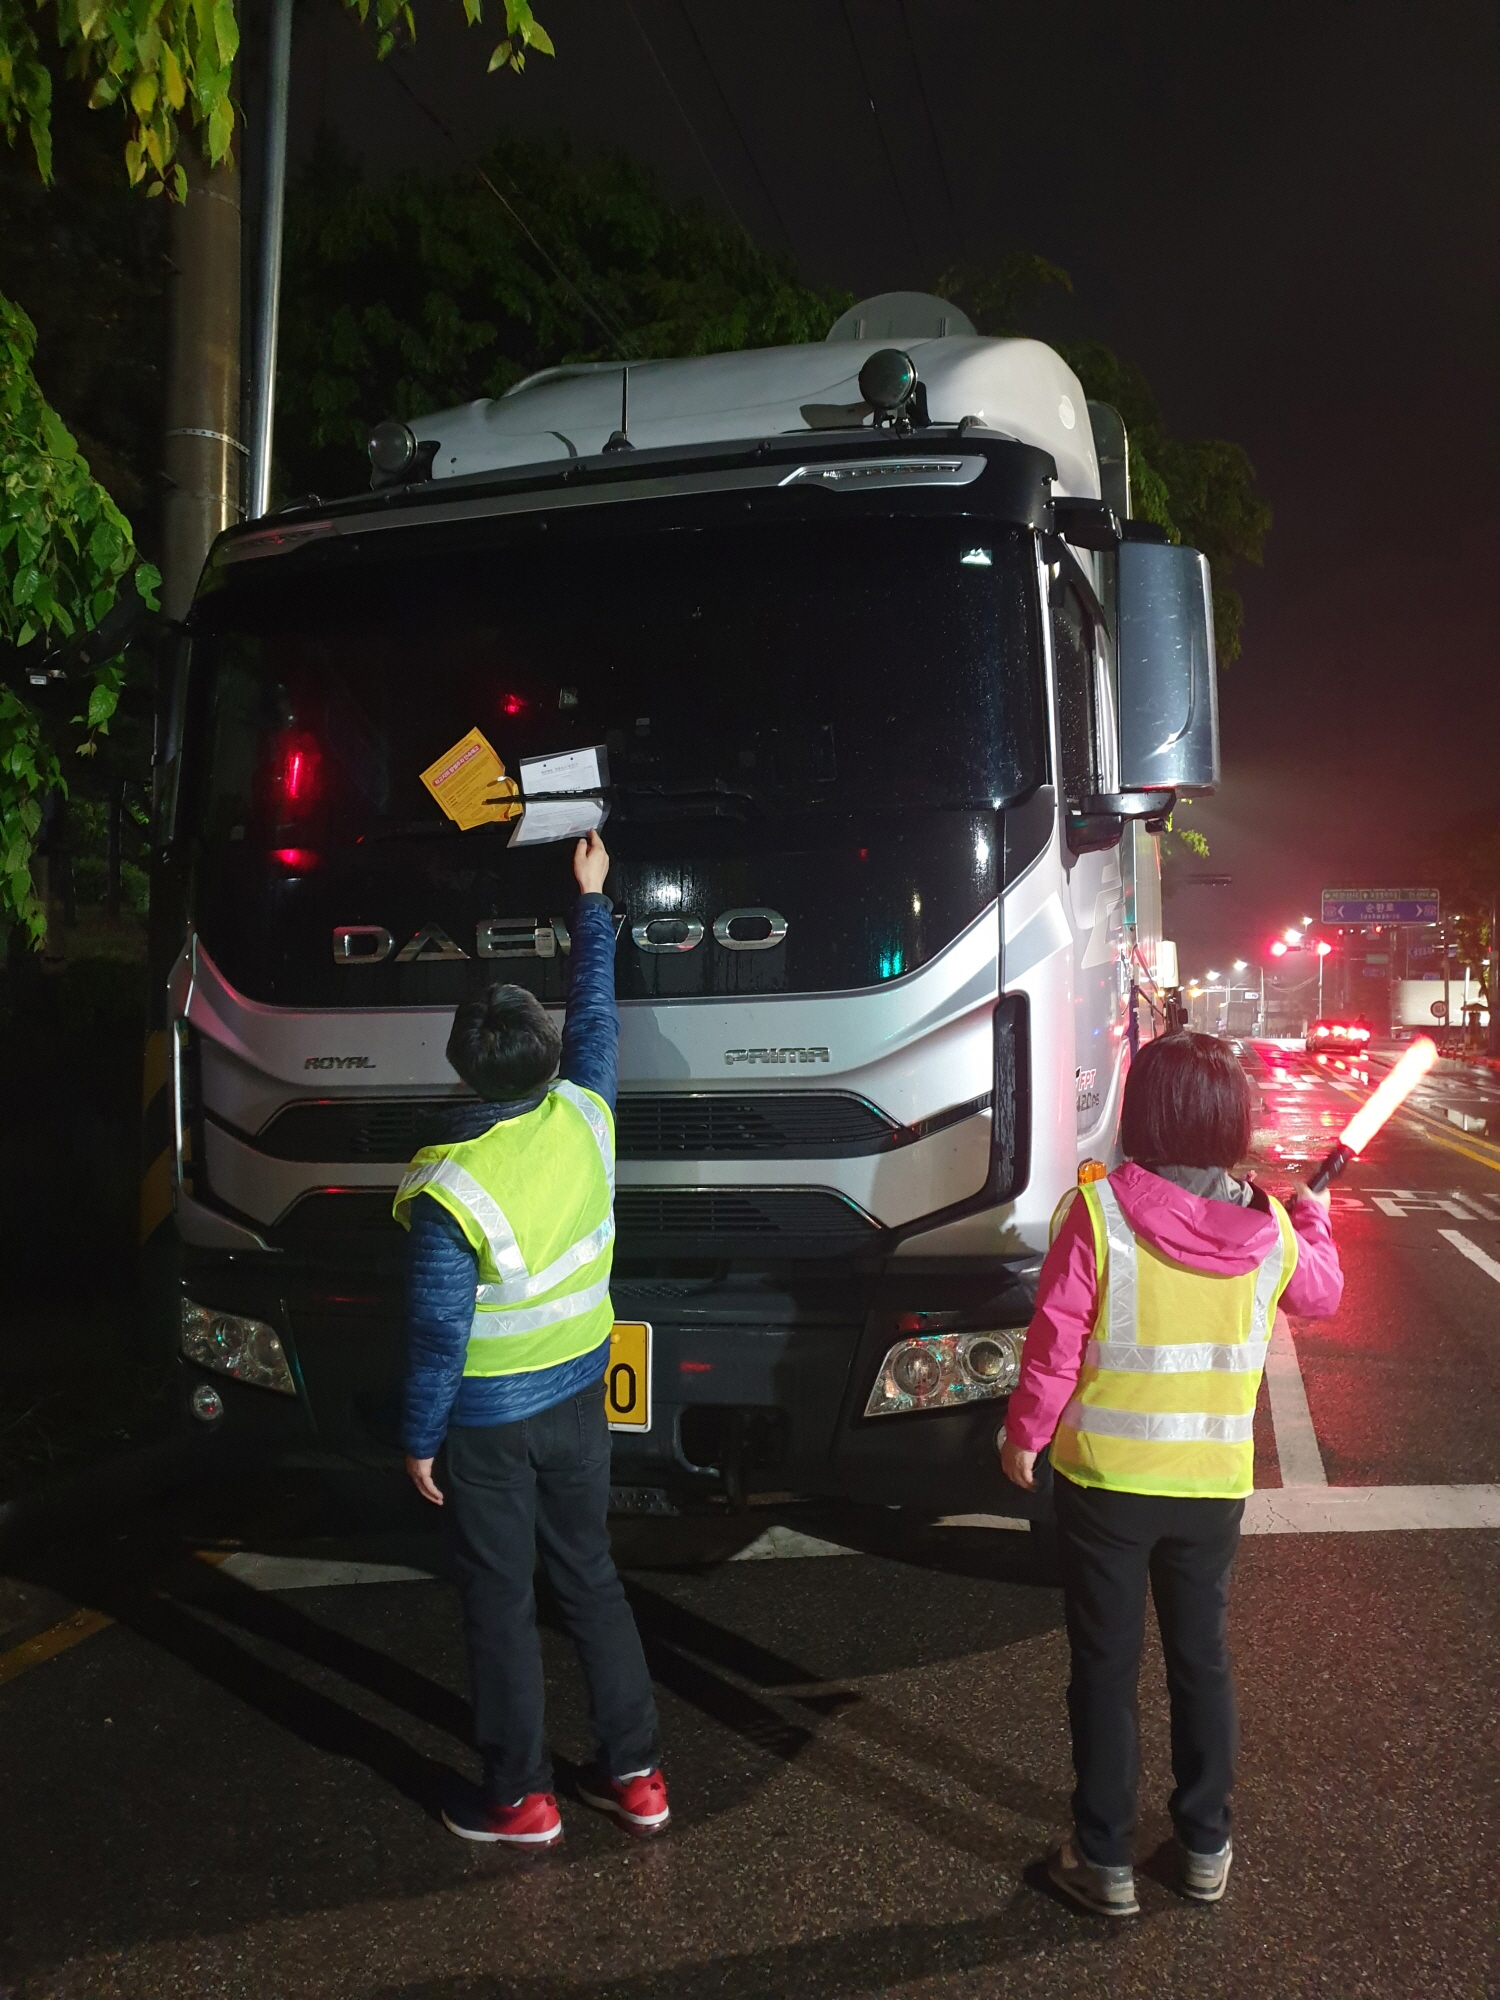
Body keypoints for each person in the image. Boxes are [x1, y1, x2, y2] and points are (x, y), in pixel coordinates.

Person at [1001, 1031, 1342, 1916]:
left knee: (1105, 1668)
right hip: (1210, 1488)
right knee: (1201, 1662)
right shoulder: (1267, 1231)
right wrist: (1313, 1217)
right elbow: (1324, 1294)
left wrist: (1024, 1438)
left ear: (1141, 1114)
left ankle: (1104, 1860)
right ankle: (1204, 1845)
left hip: (1105, 1483)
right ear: (1235, 1123)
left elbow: (1054, 1343)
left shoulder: (1101, 1213)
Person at [394, 830, 667, 1849]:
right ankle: (636, 1774)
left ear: (465, 1064)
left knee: (501, 1598)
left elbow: (435, 1329)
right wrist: (591, 899)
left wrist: (418, 1435)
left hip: (490, 1421)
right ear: (547, 1055)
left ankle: (522, 1795)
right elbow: (598, 1008)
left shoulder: (446, 1180)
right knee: (589, 1570)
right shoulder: (588, 1115)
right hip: (578, 1392)